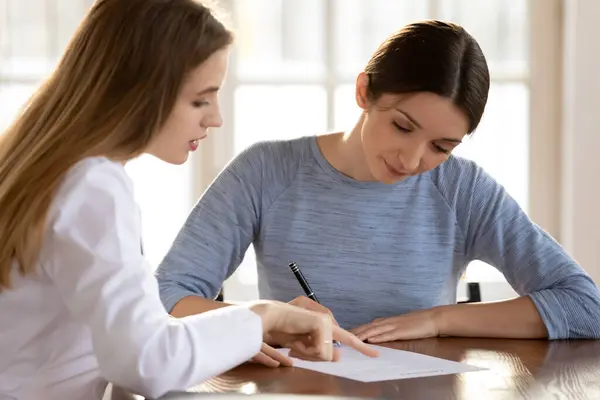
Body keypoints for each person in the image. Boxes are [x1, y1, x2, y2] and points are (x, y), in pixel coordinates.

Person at [155, 18, 600, 367]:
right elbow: (164, 295)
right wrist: (263, 320)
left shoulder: (462, 189)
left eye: (441, 147)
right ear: (365, 92)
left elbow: (583, 306)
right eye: (402, 127)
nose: (410, 160)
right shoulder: (266, 171)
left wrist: (439, 320)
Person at [0, 1, 377, 399]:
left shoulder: (42, 168)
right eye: (201, 99)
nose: (215, 118)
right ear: (141, 91)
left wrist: (246, 328)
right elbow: (147, 361)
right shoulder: (94, 187)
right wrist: (261, 317)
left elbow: (129, 345)